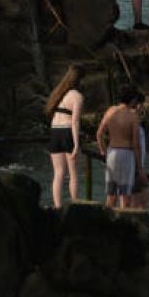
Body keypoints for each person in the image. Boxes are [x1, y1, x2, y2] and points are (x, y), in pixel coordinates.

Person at [96, 85, 148, 208]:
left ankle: (107, 223)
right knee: (125, 195)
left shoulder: (110, 111)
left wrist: (103, 152)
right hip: (126, 155)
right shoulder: (133, 116)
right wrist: (140, 168)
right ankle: (122, 223)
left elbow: (99, 134)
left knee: (111, 194)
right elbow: (136, 144)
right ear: (133, 100)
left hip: (111, 153)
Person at [44, 64, 85, 209]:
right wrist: (76, 144)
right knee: (73, 175)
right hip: (67, 132)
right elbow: (75, 121)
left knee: (58, 173)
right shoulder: (77, 96)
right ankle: (74, 204)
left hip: (55, 132)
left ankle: (57, 207)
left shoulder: (58, 94)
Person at [129, 92, 149, 209]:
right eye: (141, 105)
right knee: (142, 199)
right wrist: (140, 169)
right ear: (137, 105)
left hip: (131, 165)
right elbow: (135, 146)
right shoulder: (134, 121)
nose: (143, 108)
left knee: (135, 199)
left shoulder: (126, 118)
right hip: (135, 167)